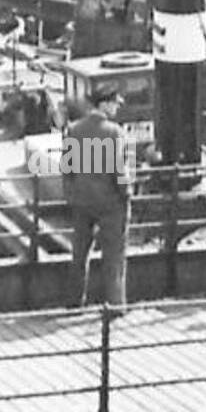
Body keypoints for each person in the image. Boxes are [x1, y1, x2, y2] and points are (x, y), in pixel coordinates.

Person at [64, 83, 131, 310]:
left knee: (80, 255)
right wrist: (126, 194)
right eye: (115, 103)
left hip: (82, 202)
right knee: (114, 256)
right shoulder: (114, 133)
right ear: (105, 104)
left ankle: (75, 302)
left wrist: (72, 195)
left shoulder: (74, 129)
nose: (117, 108)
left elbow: (67, 168)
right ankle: (115, 304)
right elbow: (119, 172)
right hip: (110, 203)